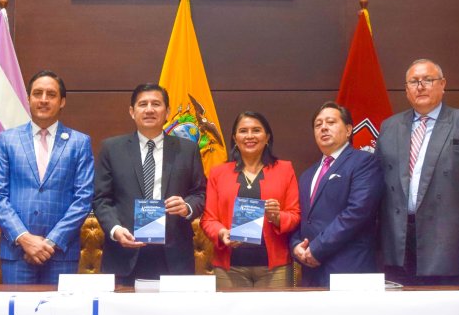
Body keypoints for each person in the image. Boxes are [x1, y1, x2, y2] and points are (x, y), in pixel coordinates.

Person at [378, 59, 459, 286]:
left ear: (443, 84)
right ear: (406, 90)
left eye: (428, 80)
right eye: (414, 82)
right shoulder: (390, 127)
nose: (420, 86)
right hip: (399, 244)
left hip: (449, 245)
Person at [0, 71, 95, 285]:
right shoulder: (7, 140)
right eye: (37, 93)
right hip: (18, 252)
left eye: (51, 94)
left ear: (62, 101)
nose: (44, 99)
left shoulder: (79, 142)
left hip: (61, 254)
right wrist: (24, 238)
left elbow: (83, 199)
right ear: (28, 99)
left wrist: (51, 241)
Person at [92, 83, 206, 284]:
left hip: (173, 255)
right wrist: (115, 229)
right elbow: (101, 198)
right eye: (143, 104)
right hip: (125, 250)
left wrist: (187, 206)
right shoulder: (112, 148)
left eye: (156, 104)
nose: (149, 109)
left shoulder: (187, 149)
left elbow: (200, 193)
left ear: (168, 111)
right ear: (132, 111)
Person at [201, 111, 301, 288]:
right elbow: (208, 219)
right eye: (243, 131)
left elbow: (295, 215)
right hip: (229, 268)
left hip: (274, 268)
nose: (249, 136)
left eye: (256, 130)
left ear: (267, 137)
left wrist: (277, 217)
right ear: (235, 138)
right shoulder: (218, 173)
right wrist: (222, 233)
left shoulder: (285, 170)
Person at [291, 102, 384, 288]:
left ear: (349, 129)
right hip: (312, 271)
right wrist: (296, 247)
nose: (323, 127)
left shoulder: (364, 162)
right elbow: (300, 217)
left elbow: (357, 212)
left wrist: (316, 249)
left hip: (348, 268)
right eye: (318, 125)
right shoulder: (307, 175)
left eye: (331, 122)